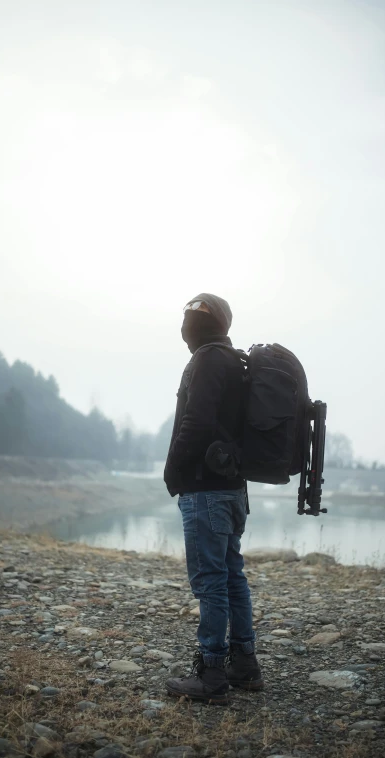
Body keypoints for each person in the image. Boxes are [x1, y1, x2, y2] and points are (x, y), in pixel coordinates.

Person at [164, 293, 263, 704]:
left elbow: (196, 421)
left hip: (205, 489)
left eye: (195, 317)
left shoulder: (207, 359)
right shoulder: (234, 361)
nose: (188, 323)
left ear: (213, 324)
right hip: (233, 488)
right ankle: (244, 664)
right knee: (231, 575)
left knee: (211, 583)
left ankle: (211, 674)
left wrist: (173, 469)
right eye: (188, 314)